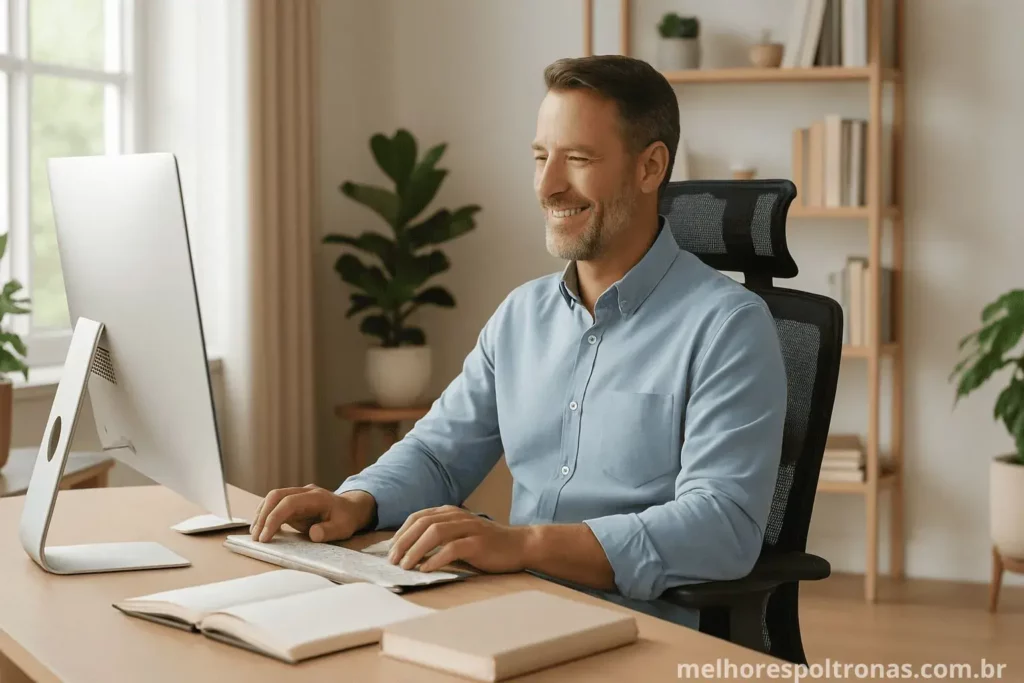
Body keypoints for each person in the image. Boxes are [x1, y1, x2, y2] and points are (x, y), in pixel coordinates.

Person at [249, 54, 787, 628]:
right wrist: (357, 502)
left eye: (578, 159)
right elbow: (438, 451)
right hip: (505, 608)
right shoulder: (520, 316)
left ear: (650, 167)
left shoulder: (729, 327)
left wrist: (524, 544)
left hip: (634, 633)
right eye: (540, 157)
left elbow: (722, 527)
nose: (549, 185)